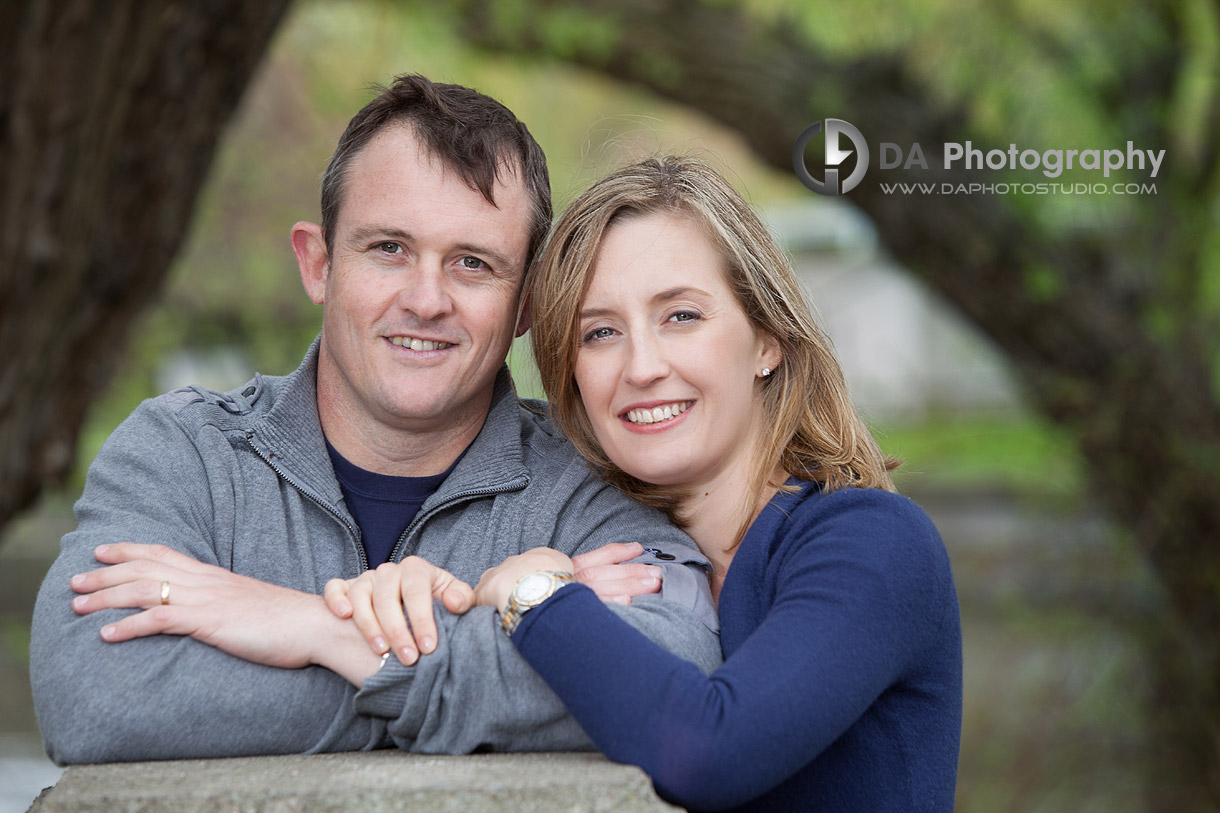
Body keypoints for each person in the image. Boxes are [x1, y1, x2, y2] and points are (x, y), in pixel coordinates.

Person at [29, 76, 721, 765]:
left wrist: (310, 628)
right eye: (388, 248)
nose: (426, 300)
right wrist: (501, 638)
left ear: (527, 306)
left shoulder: (593, 476)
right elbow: (96, 696)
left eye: (472, 263)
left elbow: (678, 663)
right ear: (319, 263)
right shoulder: (185, 453)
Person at [331, 156, 962, 811]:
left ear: (767, 339)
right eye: (601, 332)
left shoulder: (873, 542)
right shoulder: (609, 557)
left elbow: (707, 751)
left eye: (680, 316)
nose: (642, 366)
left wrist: (532, 593)